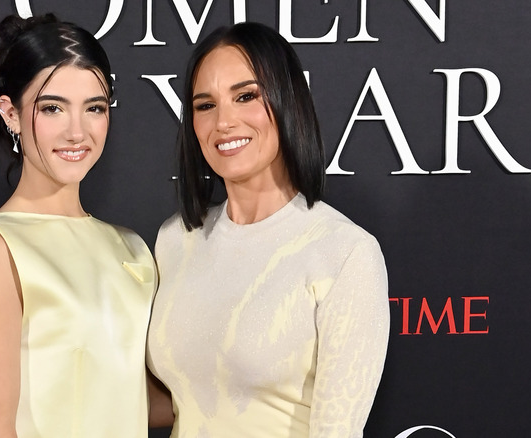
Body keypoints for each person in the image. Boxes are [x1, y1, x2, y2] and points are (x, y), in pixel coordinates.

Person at [146, 22, 389, 437]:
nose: (224, 122)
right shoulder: (175, 239)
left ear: (286, 101)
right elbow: (178, 399)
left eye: (245, 97)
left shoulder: (345, 253)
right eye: (206, 105)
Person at [0, 14, 156, 438]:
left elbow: (134, 395)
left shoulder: (132, 247)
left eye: (95, 108)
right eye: (52, 108)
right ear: (11, 112)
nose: (76, 132)